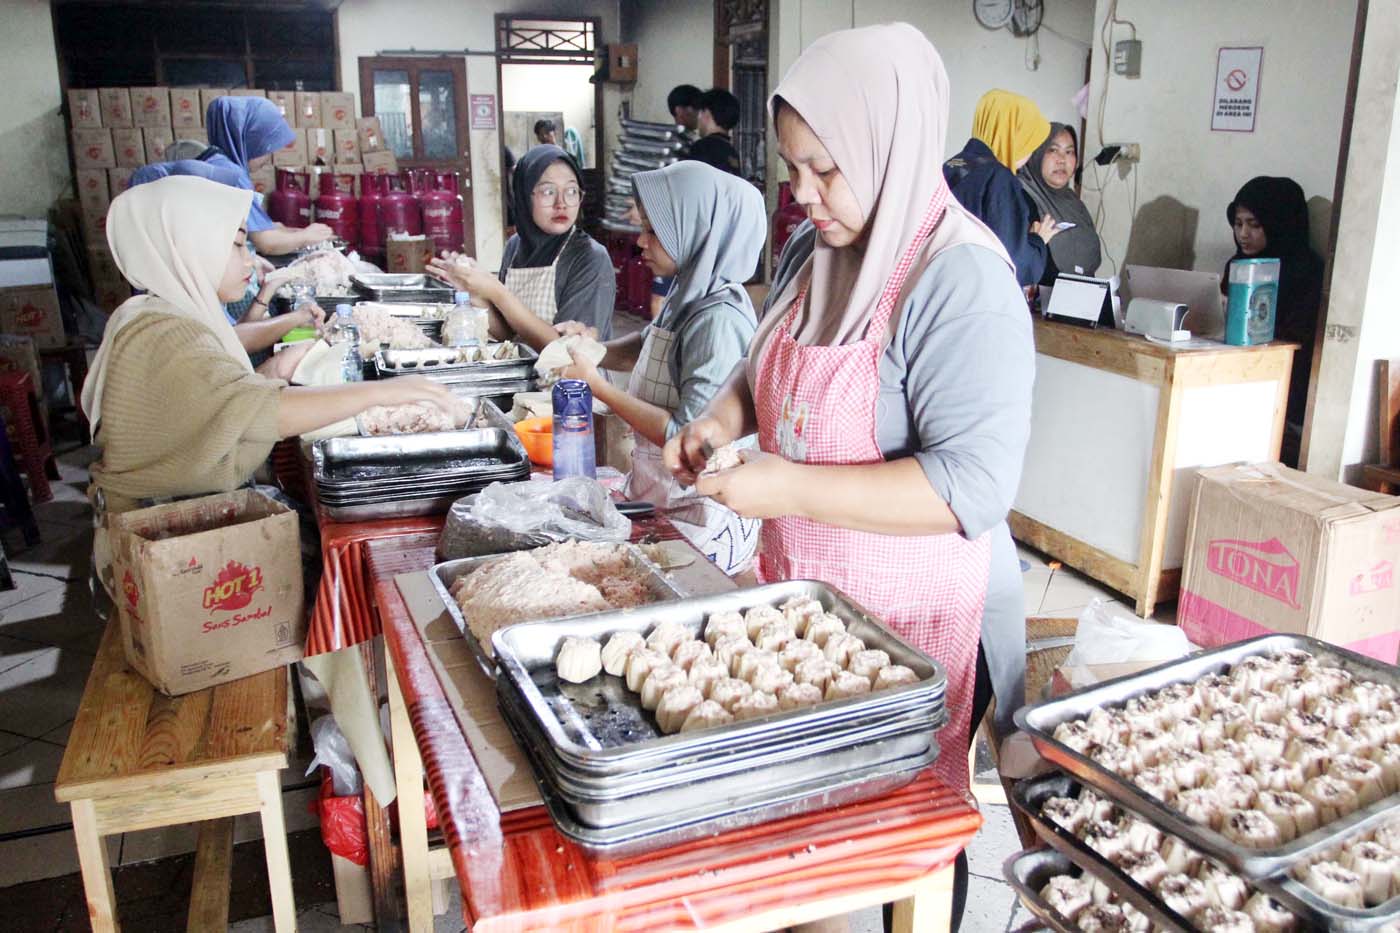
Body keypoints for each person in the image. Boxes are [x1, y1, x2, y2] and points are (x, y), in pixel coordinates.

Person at [663, 24, 1033, 931]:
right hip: (812, 598)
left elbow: (970, 487)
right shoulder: (815, 250)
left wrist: (788, 486)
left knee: (895, 847)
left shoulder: (960, 280)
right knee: (807, 846)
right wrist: (719, 420)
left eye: (825, 169)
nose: (803, 194)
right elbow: (765, 364)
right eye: (792, 168)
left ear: (889, 145)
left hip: (920, 620)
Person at [83, 176, 459, 589]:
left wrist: (275, 369)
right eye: (236, 245)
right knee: (345, 572)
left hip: (170, 518)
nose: (250, 260)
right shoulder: (166, 331)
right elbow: (266, 414)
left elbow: (212, 407)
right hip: (163, 541)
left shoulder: (163, 312)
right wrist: (391, 390)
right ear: (189, 246)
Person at [559, 161, 764, 573]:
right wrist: (593, 350)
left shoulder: (717, 320)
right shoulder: (688, 293)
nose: (640, 242)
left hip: (703, 518)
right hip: (663, 498)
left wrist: (600, 387)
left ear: (696, 231)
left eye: (653, 231)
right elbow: (648, 343)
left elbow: (687, 439)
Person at [427, 145, 615, 350]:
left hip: (569, 371)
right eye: (548, 192)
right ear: (524, 196)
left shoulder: (589, 257)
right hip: (526, 367)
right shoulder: (515, 246)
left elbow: (571, 350)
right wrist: (474, 294)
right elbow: (508, 333)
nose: (561, 203)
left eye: (571, 191)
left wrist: (496, 291)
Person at [129, 161, 326, 354]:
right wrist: (296, 318)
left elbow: (230, 338)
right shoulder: (175, 317)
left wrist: (268, 289)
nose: (249, 260)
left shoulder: (194, 293)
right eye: (237, 244)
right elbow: (233, 342)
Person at [1224, 177, 1324, 467]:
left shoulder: (1306, 272)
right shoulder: (1237, 265)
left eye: (1254, 225)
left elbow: (1297, 339)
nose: (1243, 234)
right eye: (1238, 224)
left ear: (1279, 223)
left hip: (1283, 395)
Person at [944, 89, 1058, 287]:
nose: (1030, 152)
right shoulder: (999, 178)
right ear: (1015, 136)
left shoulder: (952, 165)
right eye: (1029, 142)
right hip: (976, 294)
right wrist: (1038, 240)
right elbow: (1015, 265)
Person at [205, 96, 335, 256]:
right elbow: (267, 243)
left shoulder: (215, 163)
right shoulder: (231, 175)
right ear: (251, 142)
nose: (269, 158)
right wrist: (306, 236)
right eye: (267, 147)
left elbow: (251, 226)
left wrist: (285, 230)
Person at [1018, 123, 1101, 281]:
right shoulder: (1021, 197)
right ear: (1037, 154)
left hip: (1082, 292)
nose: (1062, 160)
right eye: (1053, 150)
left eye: (1069, 152)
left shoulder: (1074, 203)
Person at [685, 88, 743, 177]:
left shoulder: (702, 147)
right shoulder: (732, 152)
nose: (698, 118)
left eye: (700, 112)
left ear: (707, 112)